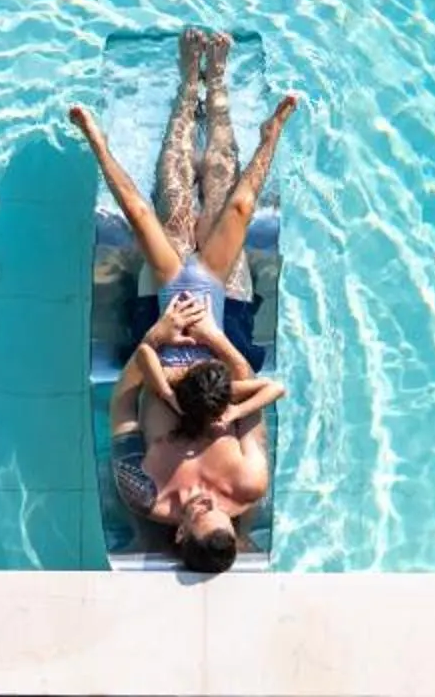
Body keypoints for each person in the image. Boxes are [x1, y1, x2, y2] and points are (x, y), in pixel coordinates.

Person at [70, 32, 297, 574]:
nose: (206, 500)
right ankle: (216, 85)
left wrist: (160, 335)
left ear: (179, 538)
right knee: (225, 195)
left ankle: (181, 88)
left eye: (199, 512)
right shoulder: (247, 480)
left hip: (164, 324)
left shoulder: (142, 490)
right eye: (218, 511)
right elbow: (257, 395)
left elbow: (122, 406)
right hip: (226, 330)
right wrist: (216, 345)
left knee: (168, 204)